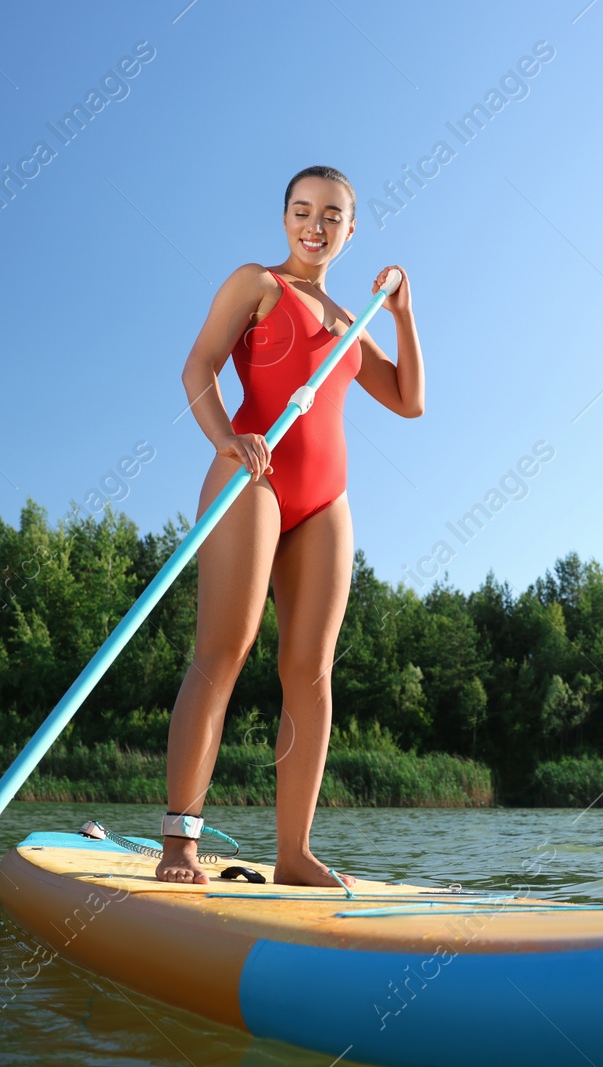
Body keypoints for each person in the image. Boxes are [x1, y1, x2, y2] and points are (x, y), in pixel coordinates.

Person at [158, 165, 424, 885]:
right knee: (225, 649)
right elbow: (198, 367)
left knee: (310, 672)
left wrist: (400, 312)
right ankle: (180, 842)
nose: (316, 225)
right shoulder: (259, 284)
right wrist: (224, 441)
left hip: (325, 501)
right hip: (253, 475)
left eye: (332, 215)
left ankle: (293, 852)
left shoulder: (350, 322)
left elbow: (408, 400)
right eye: (303, 211)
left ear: (350, 229)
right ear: (285, 220)